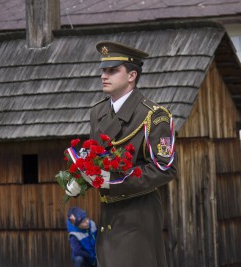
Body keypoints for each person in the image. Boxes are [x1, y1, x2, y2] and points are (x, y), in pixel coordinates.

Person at [66, 41, 177, 267]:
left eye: (113, 70)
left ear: (131, 75)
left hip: (139, 212)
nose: (104, 76)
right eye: (103, 70)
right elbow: (95, 157)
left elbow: (164, 168)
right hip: (109, 211)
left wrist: (113, 181)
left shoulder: (154, 116)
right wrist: (79, 179)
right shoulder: (98, 112)